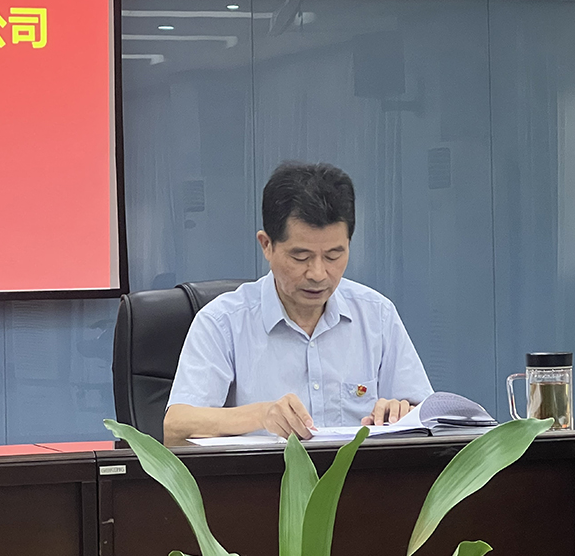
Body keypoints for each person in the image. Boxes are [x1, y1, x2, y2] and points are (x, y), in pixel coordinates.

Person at [163, 162, 433, 445]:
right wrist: (261, 415)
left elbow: (429, 420)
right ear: (266, 245)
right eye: (301, 257)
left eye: (333, 256)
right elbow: (175, 427)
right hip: (266, 474)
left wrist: (404, 412)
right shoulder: (223, 322)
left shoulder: (376, 315)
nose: (318, 274)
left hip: (361, 474)